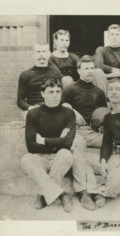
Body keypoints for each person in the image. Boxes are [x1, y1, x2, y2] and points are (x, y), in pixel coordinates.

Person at [20, 77, 75, 212]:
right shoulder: (33, 114)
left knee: (66, 154)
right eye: (51, 92)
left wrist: (43, 140)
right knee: (26, 159)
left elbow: (68, 143)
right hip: (41, 157)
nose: (55, 95)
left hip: (60, 158)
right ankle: (61, 194)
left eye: (58, 91)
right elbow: (31, 146)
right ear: (43, 93)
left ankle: (43, 194)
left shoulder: (68, 113)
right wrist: (59, 141)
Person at [62, 55, 108, 148]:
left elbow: (103, 114)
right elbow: (61, 109)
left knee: (111, 141)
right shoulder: (70, 89)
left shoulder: (99, 92)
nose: (90, 71)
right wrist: (72, 112)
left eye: (92, 68)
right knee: (77, 142)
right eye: (86, 68)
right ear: (79, 71)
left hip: (92, 132)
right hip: (75, 130)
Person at [17, 43, 62, 119]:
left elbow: (60, 95)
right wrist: (30, 108)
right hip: (34, 109)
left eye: (44, 51)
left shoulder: (56, 73)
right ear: (33, 55)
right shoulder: (26, 75)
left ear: (49, 54)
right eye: (38, 52)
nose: (41, 54)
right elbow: (20, 101)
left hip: (52, 109)